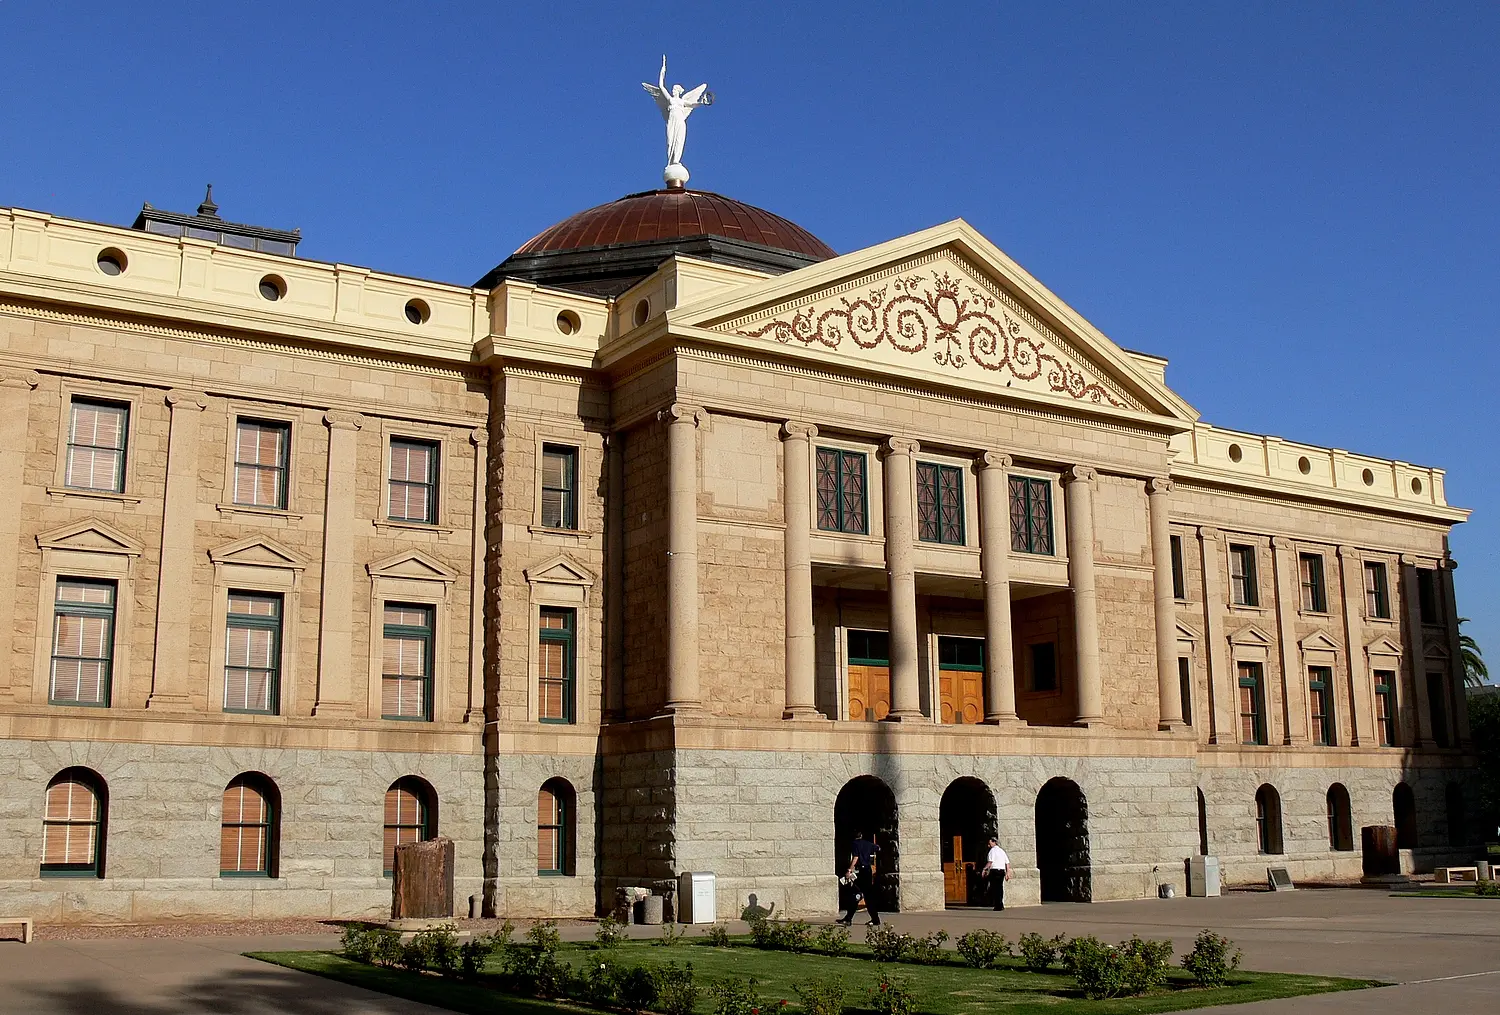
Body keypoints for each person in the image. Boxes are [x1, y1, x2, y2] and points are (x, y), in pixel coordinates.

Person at [837, 831, 881, 926]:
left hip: (861, 871)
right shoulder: (868, 844)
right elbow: (878, 848)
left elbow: (855, 857)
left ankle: (849, 919)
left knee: (856, 894)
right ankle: (874, 919)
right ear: (861, 835)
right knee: (867, 895)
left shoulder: (854, 844)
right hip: (868, 870)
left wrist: (849, 870)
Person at [981, 835, 1012, 911]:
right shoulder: (1002, 851)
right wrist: (1007, 873)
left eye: (990, 843)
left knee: (995, 888)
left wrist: (984, 869)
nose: (989, 845)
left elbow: (990, 862)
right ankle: (1000, 904)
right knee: (1000, 888)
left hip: (994, 871)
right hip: (1001, 871)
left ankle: (997, 905)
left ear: (994, 842)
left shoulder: (992, 851)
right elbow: (1007, 863)